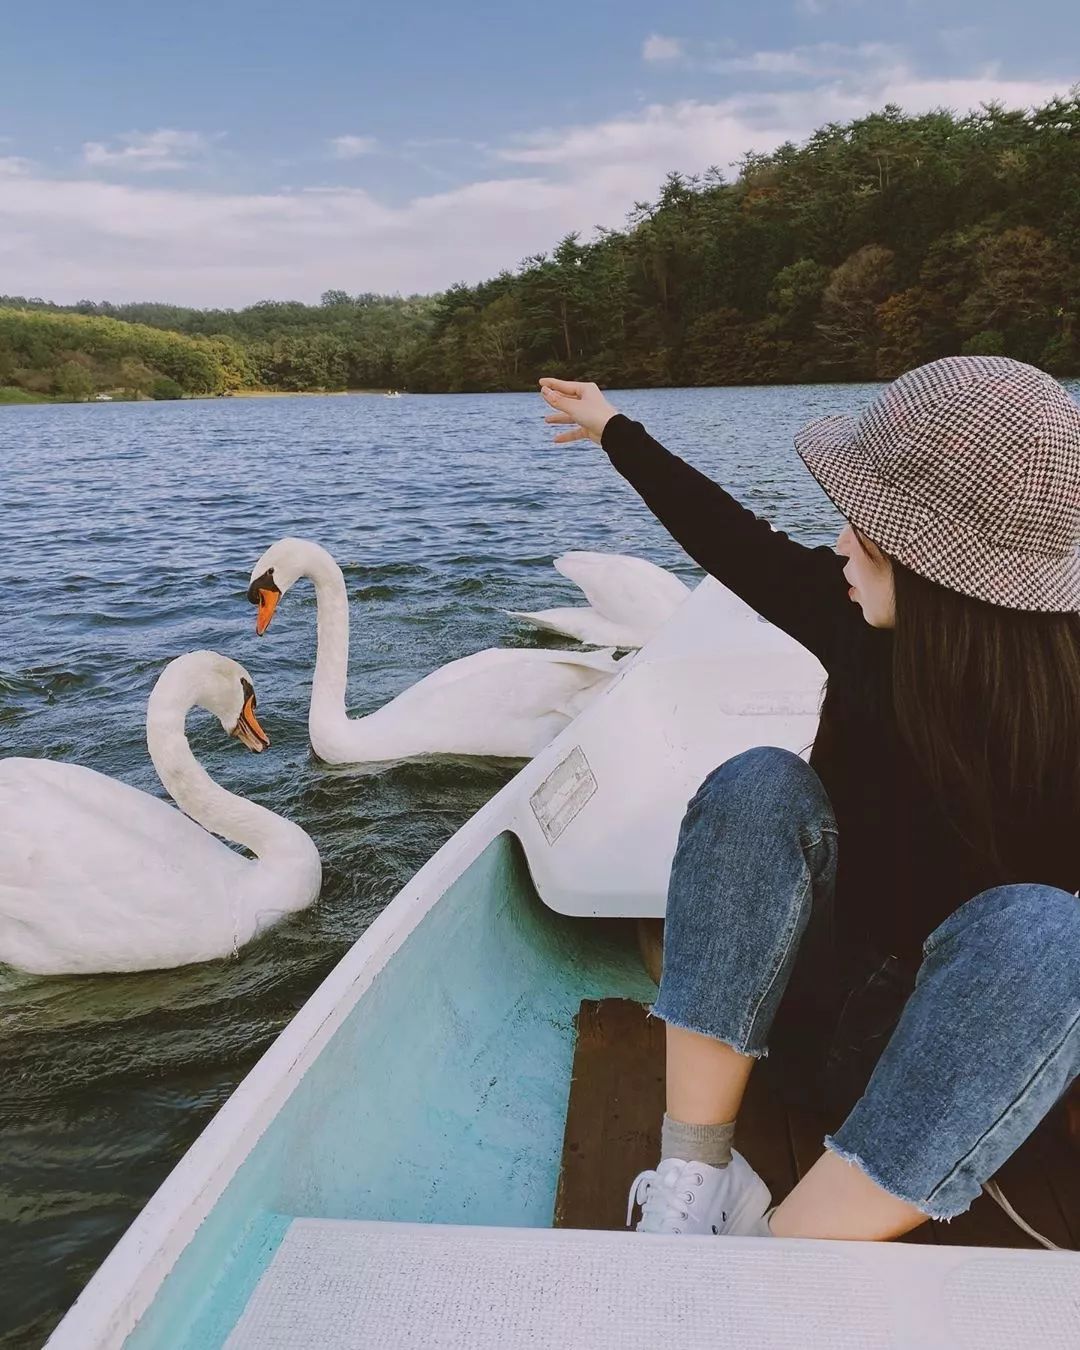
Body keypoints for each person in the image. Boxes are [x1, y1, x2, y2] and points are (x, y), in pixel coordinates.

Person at [539, 356, 1080, 1241]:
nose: (836, 543)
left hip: (956, 1087)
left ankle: (789, 1251)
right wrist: (613, 431)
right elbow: (730, 537)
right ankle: (695, 1176)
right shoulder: (851, 619)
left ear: (936, 565)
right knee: (759, 783)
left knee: (1050, 929)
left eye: (862, 525)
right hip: (803, 1027)